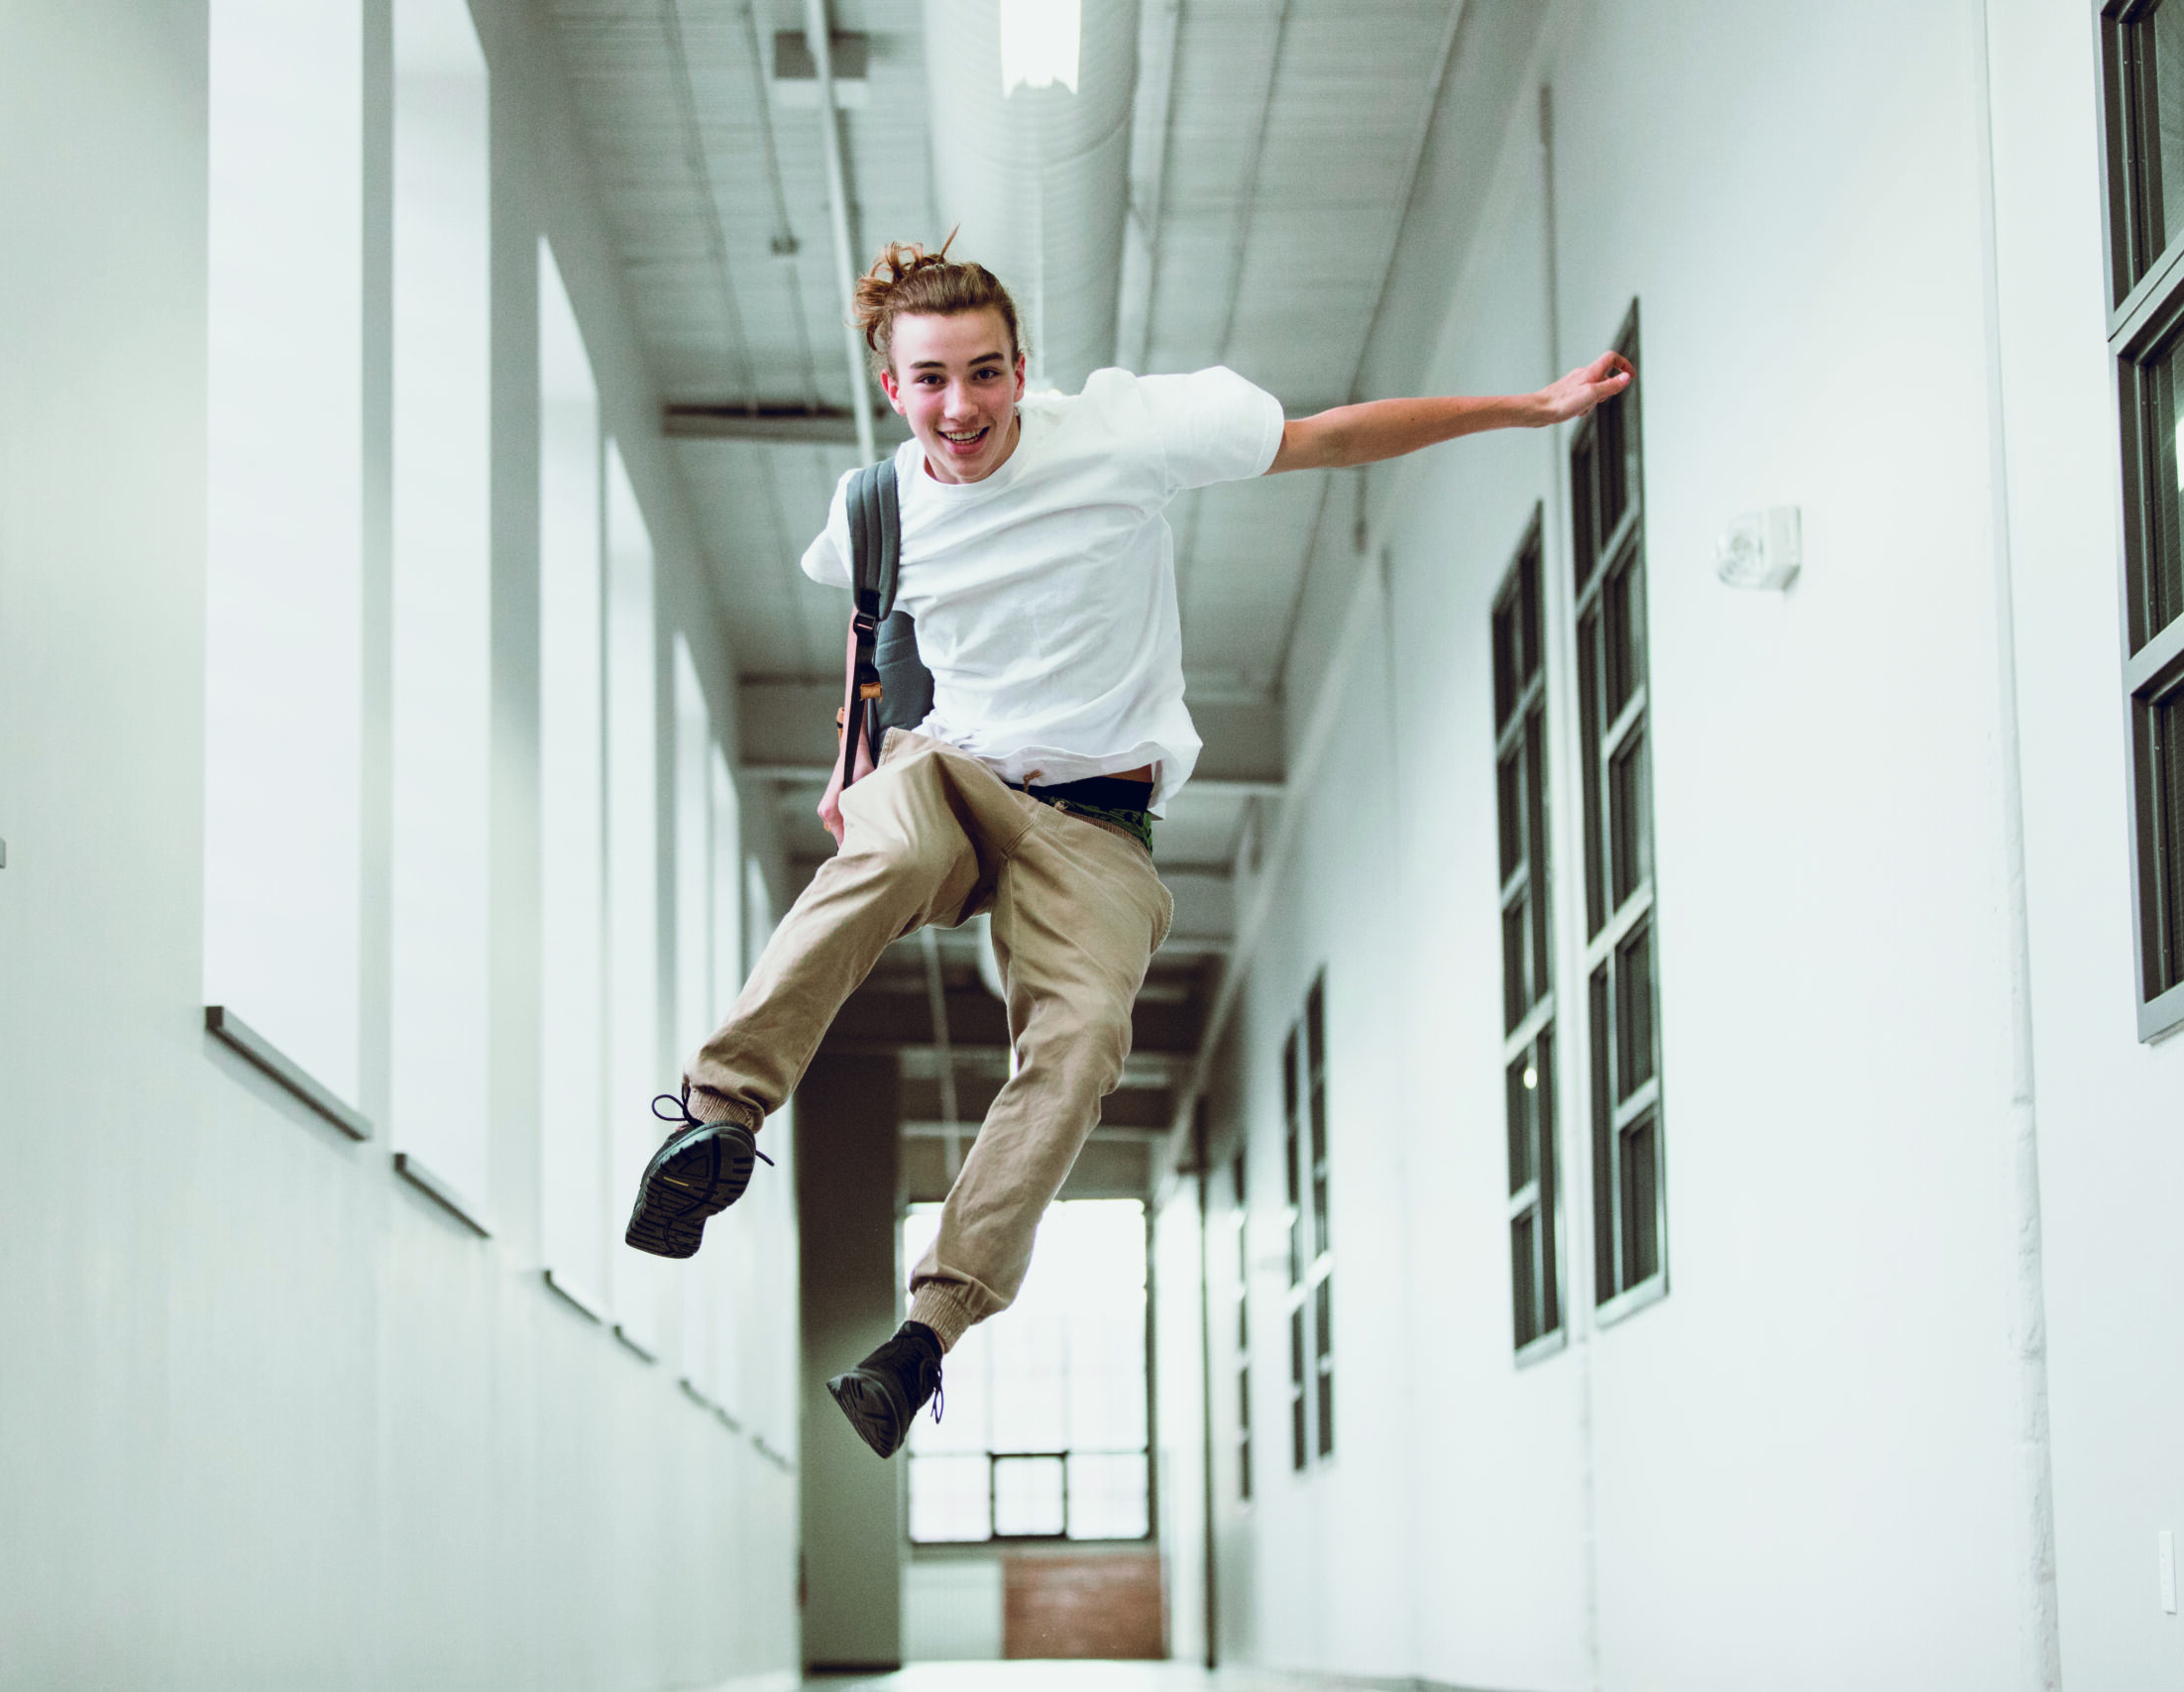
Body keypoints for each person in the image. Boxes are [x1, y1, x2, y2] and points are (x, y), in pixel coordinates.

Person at [624, 238, 1632, 1459]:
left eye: (985, 374)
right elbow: (867, 643)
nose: (961, 408)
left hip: (1095, 820)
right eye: (931, 381)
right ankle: (719, 1118)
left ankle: (927, 1332)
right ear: (892, 386)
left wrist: (1526, 407)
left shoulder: (1124, 434)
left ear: (1020, 369)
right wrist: (852, 775)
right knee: (880, 857)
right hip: (947, 772)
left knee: (1085, 1041)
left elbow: (1329, 438)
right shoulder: (871, 506)